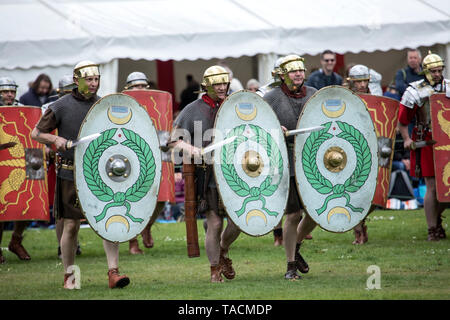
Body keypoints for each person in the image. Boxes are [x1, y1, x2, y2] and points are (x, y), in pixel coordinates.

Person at [31, 60, 130, 289]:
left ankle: (113, 273)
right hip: (71, 172)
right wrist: (56, 139)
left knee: (108, 221)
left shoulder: (102, 105)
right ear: (77, 80)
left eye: (96, 79)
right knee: (71, 226)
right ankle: (70, 275)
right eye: (89, 79)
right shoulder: (61, 106)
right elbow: (36, 133)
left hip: (100, 173)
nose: (94, 84)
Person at [170, 65, 241, 283]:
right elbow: (173, 139)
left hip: (233, 171)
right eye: (217, 83)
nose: (222, 87)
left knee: (238, 222)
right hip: (207, 173)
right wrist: (191, 149)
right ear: (207, 86)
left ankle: (222, 249)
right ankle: (214, 269)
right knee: (215, 223)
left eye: (224, 83)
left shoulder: (234, 106)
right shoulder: (193, 109)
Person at [263, 55, 316, 280]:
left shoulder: (314, 95)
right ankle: (290, 265)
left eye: (301, 70)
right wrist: (276, 128)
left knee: (316, 212)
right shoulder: (271, 98)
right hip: (286, 160)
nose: (298, 74)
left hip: (312, 161)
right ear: (282, 75)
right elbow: (260, 127)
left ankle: (297, 246)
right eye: (293, 71)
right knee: (293, 214)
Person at [398, 51, 449, 241]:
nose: (437, 74)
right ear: (426, 71)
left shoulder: (448, 87)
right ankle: (432, 228)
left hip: (447, 141)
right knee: (433, 186)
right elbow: (402, 120)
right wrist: (406, 139)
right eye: (433, 71)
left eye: (439, 70)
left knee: (447, 187)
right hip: (427, 141)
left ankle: (436, 220)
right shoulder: (415, 90)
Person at [41, 75, 82, 259]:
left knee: (78, 210)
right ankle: (61, 246)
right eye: (65, 91)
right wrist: (48, 149)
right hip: (58, 162)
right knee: (61, 211)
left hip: (78, 160)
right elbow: (40, 134)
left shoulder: (80, 106)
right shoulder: (51, 109)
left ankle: (75, 243)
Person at [122, 71, 161, 254]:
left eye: (144, 86)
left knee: (160, 197)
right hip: (128, 155)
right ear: (129, 87)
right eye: (137, 86)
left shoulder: (154, 102)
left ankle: (146, 226)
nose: (141, 89)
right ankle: (133, 241)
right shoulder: (121, 103)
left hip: (151, 154)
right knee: (132, 198)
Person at [0, 76, 32, 264]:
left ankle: (16, 240)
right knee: (2, 207)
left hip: (22, 158)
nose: (9, 95)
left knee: (28, 201)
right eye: (5, 91)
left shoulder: (23, 110)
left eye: (11, 91)